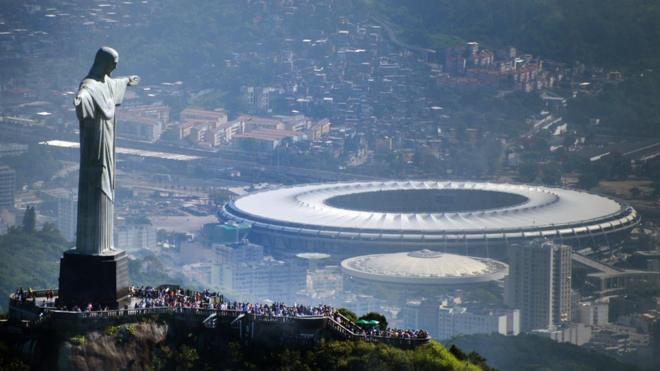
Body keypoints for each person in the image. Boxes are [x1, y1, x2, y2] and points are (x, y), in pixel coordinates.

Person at [74, 46, 139, 255]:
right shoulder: (90, 85)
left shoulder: (106, 83)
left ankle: (104, 245)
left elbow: (114, 84)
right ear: (103, 62)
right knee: (96, 185)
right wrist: (81, 100)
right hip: (96, 146)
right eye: (113, 63)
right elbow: (84, 94)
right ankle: (93, 247)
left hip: (108, 144)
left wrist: (127, 80)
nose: (115, 67)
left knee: (108, 186)